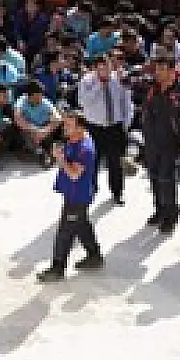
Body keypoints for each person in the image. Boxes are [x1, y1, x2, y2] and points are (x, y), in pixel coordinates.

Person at [38, 110, 102, 283]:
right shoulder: (75, 139)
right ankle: (94, 256)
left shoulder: (84, 149)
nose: (64, 127)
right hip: (73, 193)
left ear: (80, 128)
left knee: (65, 232)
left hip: (77, 195)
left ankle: (57, 268)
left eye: (68, 125)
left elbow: (74, 174)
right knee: (81, 224)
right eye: (65, 123)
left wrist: (59, 158)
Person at [139, 54, 180, 234]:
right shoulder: (153, 88)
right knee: (154, 176)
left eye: (162, 69)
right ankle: (159, 210)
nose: (157, 73)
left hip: (172, 142)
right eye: (156, 69)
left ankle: (171, 214)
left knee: (167, 179)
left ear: (173, 70)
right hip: (151, 141)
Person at [76, 54, 133, 205]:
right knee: (92, 161)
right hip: (95, 127)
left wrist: (126, 123)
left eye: (107, 66)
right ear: (94, 68)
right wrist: (99, 84)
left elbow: (126, 102)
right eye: (100, 67)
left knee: (115, 162)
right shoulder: (87, 81)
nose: (105, 70)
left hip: (114, 127)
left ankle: (117, 192)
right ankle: (91, 189)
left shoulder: (119, 79)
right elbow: (83, 101)